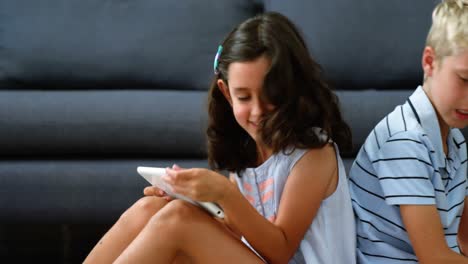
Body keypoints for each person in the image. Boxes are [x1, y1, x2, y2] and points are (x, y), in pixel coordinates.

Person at [84, 11, 356, 264]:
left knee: (178, 219)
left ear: (292, 87)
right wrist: (194, 201)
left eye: (271, 94)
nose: (258, 110)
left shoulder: (313, 154)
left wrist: (224, 194)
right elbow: (245, 236)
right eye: (244, 97)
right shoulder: (248, 150)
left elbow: (280, 250)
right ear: (227, 94)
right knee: (151, 208)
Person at [348, 0, 468, 263]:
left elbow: (464, 234)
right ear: (429, 61)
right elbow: (433, 258)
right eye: (464, 79)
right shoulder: (404, 140)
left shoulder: (456, 140)